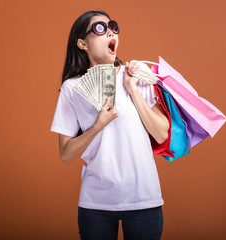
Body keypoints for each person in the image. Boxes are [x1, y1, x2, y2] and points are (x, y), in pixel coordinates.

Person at [50, 10, 169, 240]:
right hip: (96, 203)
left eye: (113, 27)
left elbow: (162, 133)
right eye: (100, 29)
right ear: (82, 43)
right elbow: (65, 154)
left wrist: (132, 89)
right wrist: (98, 125)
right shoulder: (72, 88)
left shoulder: (137, 76)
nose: (110, 32)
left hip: (143, 197)